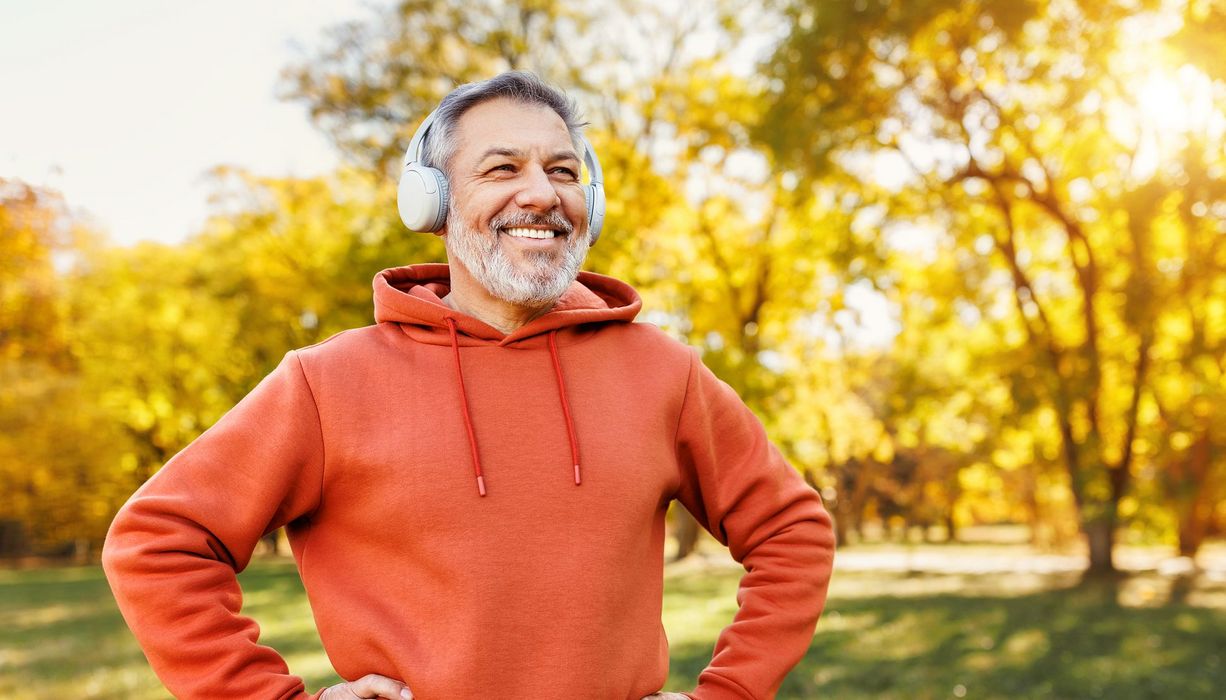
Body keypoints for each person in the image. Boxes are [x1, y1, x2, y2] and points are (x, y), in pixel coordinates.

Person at [103, 71, 835, 700]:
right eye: (501, 168)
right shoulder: (325, 384)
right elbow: (156, 544)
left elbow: (792, 531)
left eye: (563, 170)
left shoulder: (663, 371)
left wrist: (732, 690)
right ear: (432, 202)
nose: (541, 194)